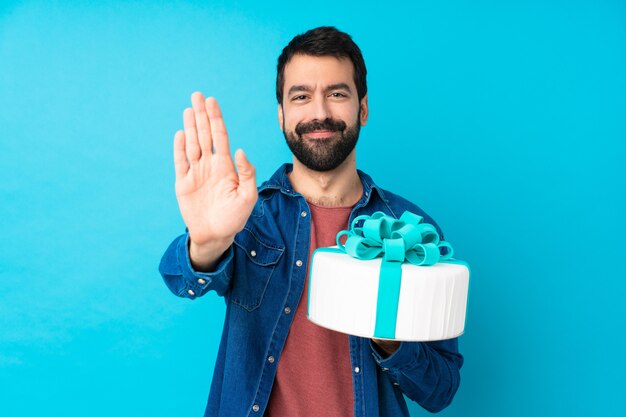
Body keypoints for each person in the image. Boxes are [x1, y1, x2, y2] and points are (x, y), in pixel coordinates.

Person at [159, 26, 463, 417]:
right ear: (282, 114)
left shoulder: (413, 230)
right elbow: (180, 280)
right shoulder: (248, 215)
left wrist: (388, 337)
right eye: (301, 96)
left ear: (363, 109)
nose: (319, 112)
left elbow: (441, 391)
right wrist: (205, 243)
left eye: (337, 94)